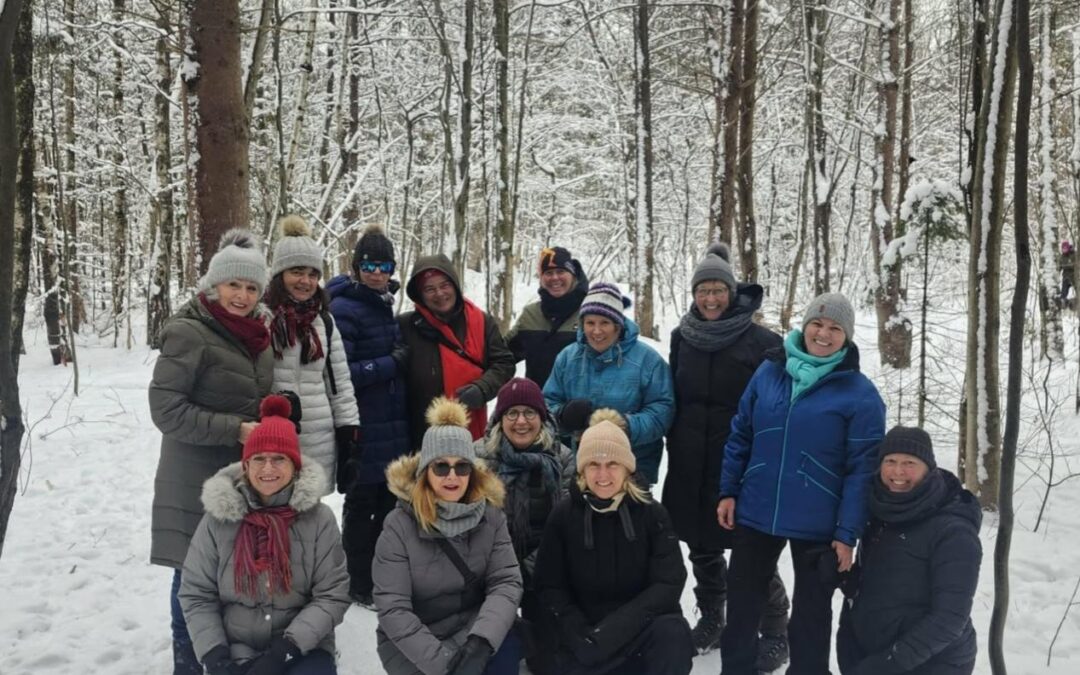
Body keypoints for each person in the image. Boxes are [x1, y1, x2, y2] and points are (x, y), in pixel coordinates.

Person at [717, 292, 886, 675]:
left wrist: (847, 532)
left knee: (811, 617)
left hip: (819, 521)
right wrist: (729, 489)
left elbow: (863, 469)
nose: (823, 334)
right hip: (757, 508)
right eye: (817, 323)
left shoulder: (860, 394)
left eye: (834, 328)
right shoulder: (769, 371)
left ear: (847, 336)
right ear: (804, 325)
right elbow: (741, 432)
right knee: (742, 608)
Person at [149, 229, 276, 675]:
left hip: (241, 479)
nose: (241, 295)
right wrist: (236, 429)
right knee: (193, 578)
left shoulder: (259, 335)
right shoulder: (189, 332)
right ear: (213, 285)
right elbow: (165, 410)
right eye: (233, 285)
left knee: (232, 576)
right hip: (193, 481)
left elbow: (249, 393)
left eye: (251, 287)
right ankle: (188, 665)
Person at [662, 243, 790, 666]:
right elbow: (675, 396)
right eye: (703, 291)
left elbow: (773, 408)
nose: (711, 299)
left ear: (732, 292)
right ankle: (713, 614)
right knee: (700, 544)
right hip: (688, 459)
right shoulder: (682, 337)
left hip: (740, 461)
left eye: (718, 290)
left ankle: (775, 626)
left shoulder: (764, 343)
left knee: (750, 546)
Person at [179, 395, 351, 675]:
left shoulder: (318, 519)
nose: (268, 468)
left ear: (295, 466)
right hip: (234, 646)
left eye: (279, 459)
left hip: (301, 646)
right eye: (259, 459)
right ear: (245, 466)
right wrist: (215, 655)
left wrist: (286, 651)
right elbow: (197, 593)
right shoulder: (218, 519)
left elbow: (332, 594)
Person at [533, 410, 694, 675]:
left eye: (612, 464)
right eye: (594, 464)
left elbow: (669, 582)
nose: (603, 474)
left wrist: (611, 633)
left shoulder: (652, 513)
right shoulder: (563, 515)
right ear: (582, 469)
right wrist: (580, 635)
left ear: (627, 468)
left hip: (638, 632)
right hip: (585, 639)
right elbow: (550, 586)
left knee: (672, 634)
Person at [373, 397, 524, 675]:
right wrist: (446, 665)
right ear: (425, 472)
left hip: (477, 628)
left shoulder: (490, 515)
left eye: (462, 466)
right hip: (417, 643)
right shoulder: (399, 525)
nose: (452, 476)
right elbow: (393, 608)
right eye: (441, 466)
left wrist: (481, 642)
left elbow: (506, 582)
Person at [837, 426, 981, 675]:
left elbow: (949, 619)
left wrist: (886, 665)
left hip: (931, 663)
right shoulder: (879, 510)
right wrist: (841, 575)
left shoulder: (953, 531)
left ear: (929, 468)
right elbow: (884, 582)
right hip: (870, 654)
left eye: (910, 462)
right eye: (890, 461)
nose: (898, 471)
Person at [327, 223, 411, 608]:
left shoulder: (382, 304)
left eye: (384, 265)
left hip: (389, 426)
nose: (377, 273)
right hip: (362, 428)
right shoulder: (344, 308)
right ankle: (358, 582)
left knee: (388, 506)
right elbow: (339, 374)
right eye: (369, 265)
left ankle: (380, 577)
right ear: (356, 267)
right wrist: (388, 366)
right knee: (362, 509)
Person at [476, 377, 574, 673]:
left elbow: (568, 526)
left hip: (545, 565)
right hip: (491, 569)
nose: (521, 421)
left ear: (542, 419)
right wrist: (506, 573)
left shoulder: (563, 459)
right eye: (512, 413)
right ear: (499, 419)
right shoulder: (478, 458)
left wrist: (530, 568)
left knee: (548, 661)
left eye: (529, 413)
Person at [543, 281, 675, 485]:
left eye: (604, 322)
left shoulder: (648, 360)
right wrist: (563, 415)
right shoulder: (568, 358)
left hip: (634, 469)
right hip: (579, 467)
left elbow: (662, 411)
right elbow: (546, 405)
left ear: (618, 325)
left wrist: (626, 425)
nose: (596, 331)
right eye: (590, 322)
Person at [266, 215, 359, 495]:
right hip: (269, 440)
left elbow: (339, 385)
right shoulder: (261, 319)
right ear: (279, 274)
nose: (305, 281)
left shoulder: (325, 323)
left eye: (312, 274)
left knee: (308, 522)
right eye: (296, 271)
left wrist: (349, 436)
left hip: (317, 440)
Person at [399, 254, 515, 445]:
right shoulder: (406, 326)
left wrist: (482, 388)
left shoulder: (481, 322)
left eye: (445, 285)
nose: (439, 294)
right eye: (429, 289)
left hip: (468, 425)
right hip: (419, 430)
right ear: (419, 295)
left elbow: (504, 363)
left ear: (454, 285)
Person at [504, 246, 589, 387]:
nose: (555, 277)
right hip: (538, 404)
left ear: (573, 275)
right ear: (542, 278)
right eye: (548, 273)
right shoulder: (531, 315)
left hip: (580, 404)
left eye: (561, 271)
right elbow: (502, 355)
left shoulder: (590, 312)